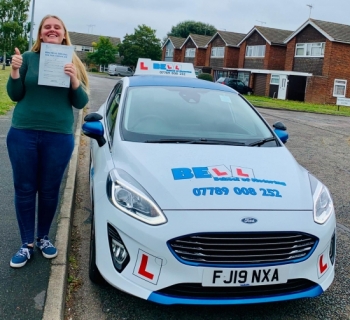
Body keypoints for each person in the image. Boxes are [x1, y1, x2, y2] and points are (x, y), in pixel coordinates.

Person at [6, 15, 89, 268]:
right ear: (41, 34)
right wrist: (15, 70)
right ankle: (26, 243)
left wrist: (74, 79)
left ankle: (43, 237)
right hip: (23, 133)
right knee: (25, 188)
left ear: (64, 34)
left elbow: (81, 103)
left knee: (50, 190)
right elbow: (14, 95)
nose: (52, 30)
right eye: (47, 27)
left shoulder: (73, 61)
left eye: (57, 27)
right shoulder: (28, 59)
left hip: (58, 136)